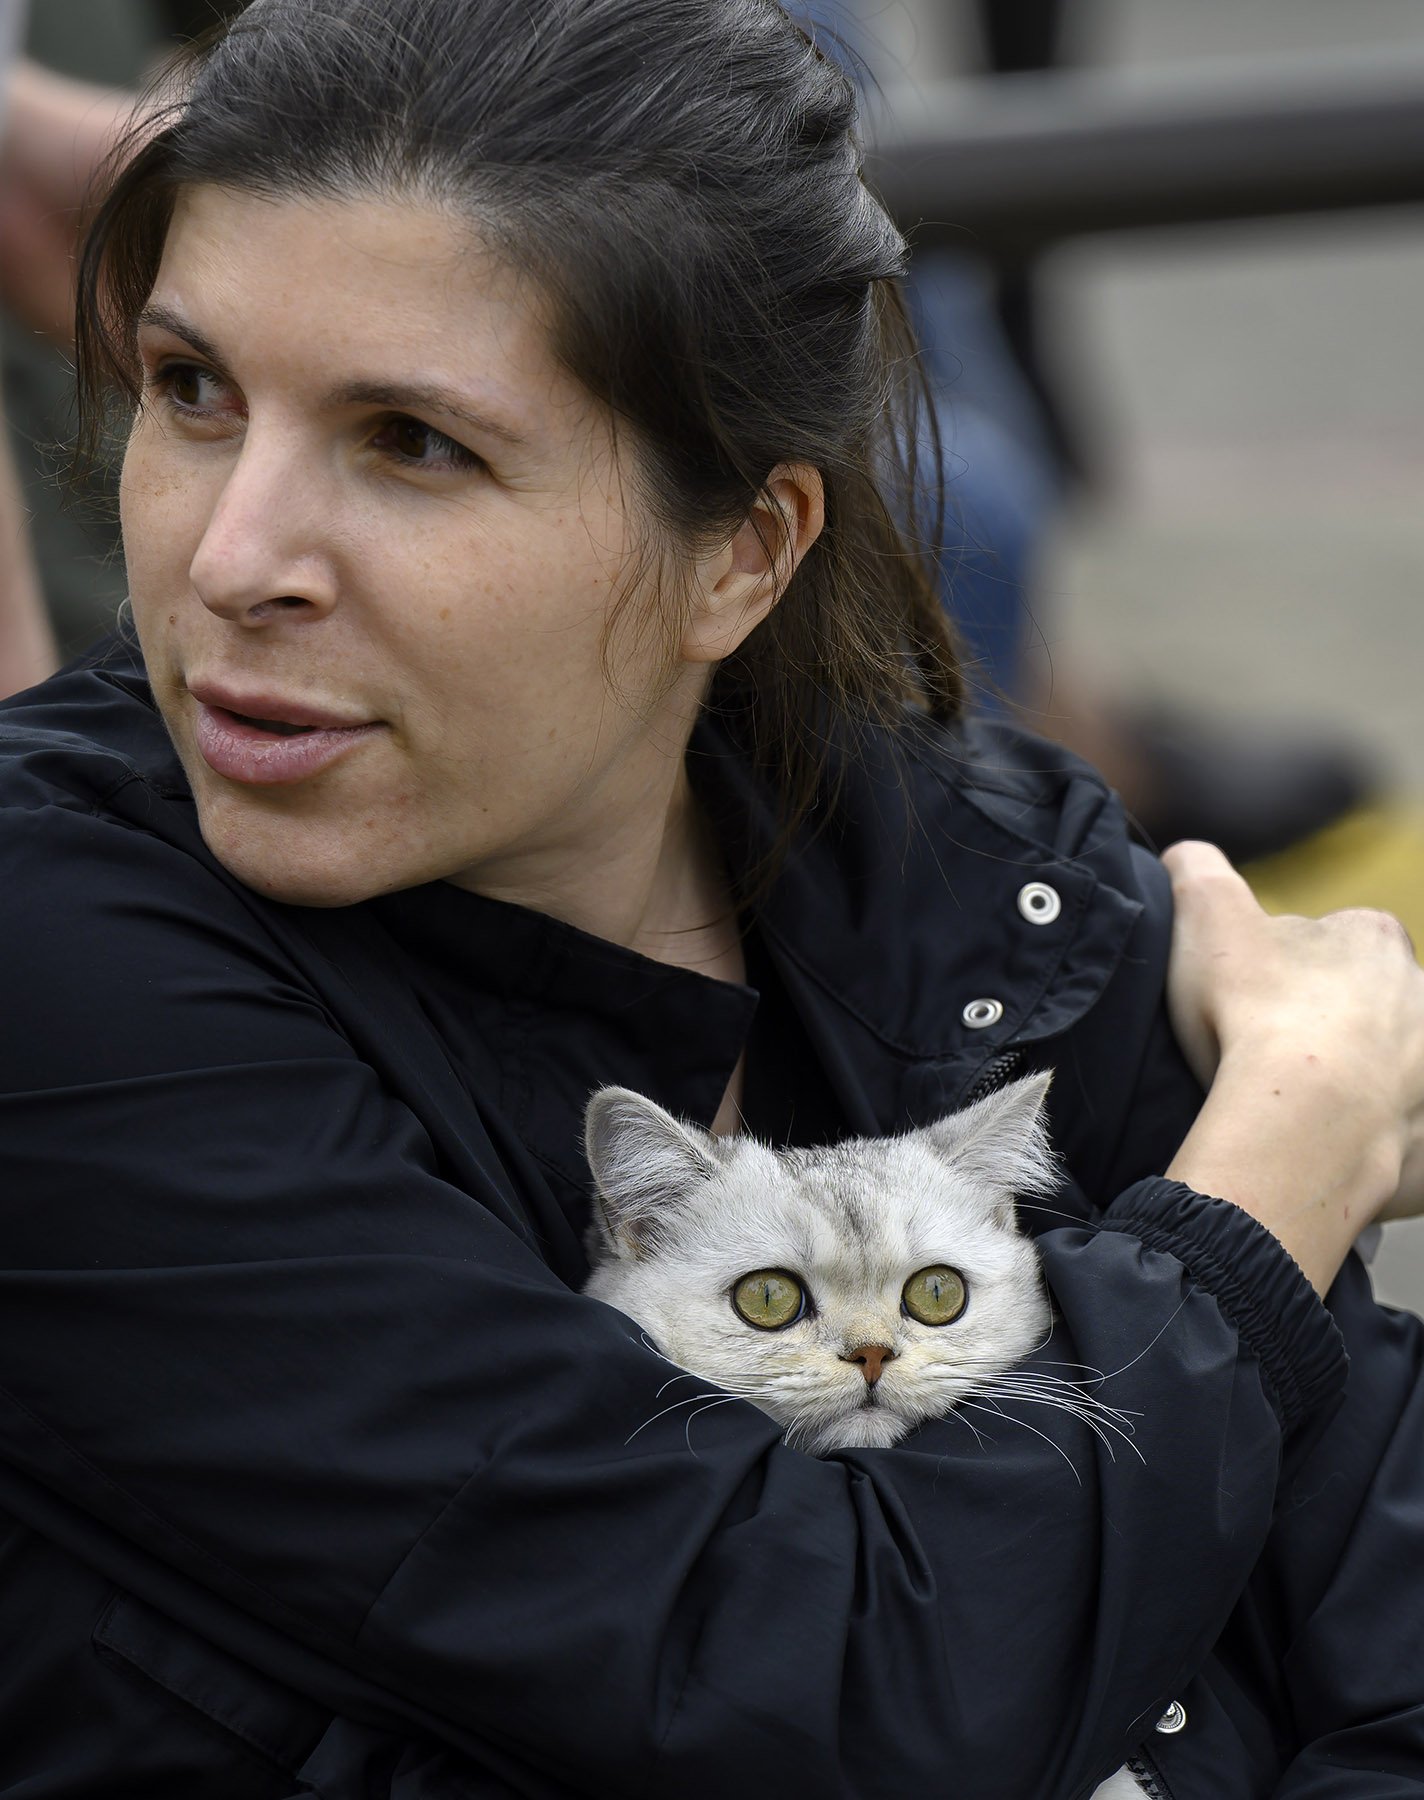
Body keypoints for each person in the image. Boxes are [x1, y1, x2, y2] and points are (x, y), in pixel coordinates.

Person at [0, 2, 1422, 1794]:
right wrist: (1274, 1186)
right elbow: (832, 1696)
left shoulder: (993, 891)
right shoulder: (52, 968)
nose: (231, 559)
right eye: (193, 391)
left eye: (412, 443)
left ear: (742, 551)